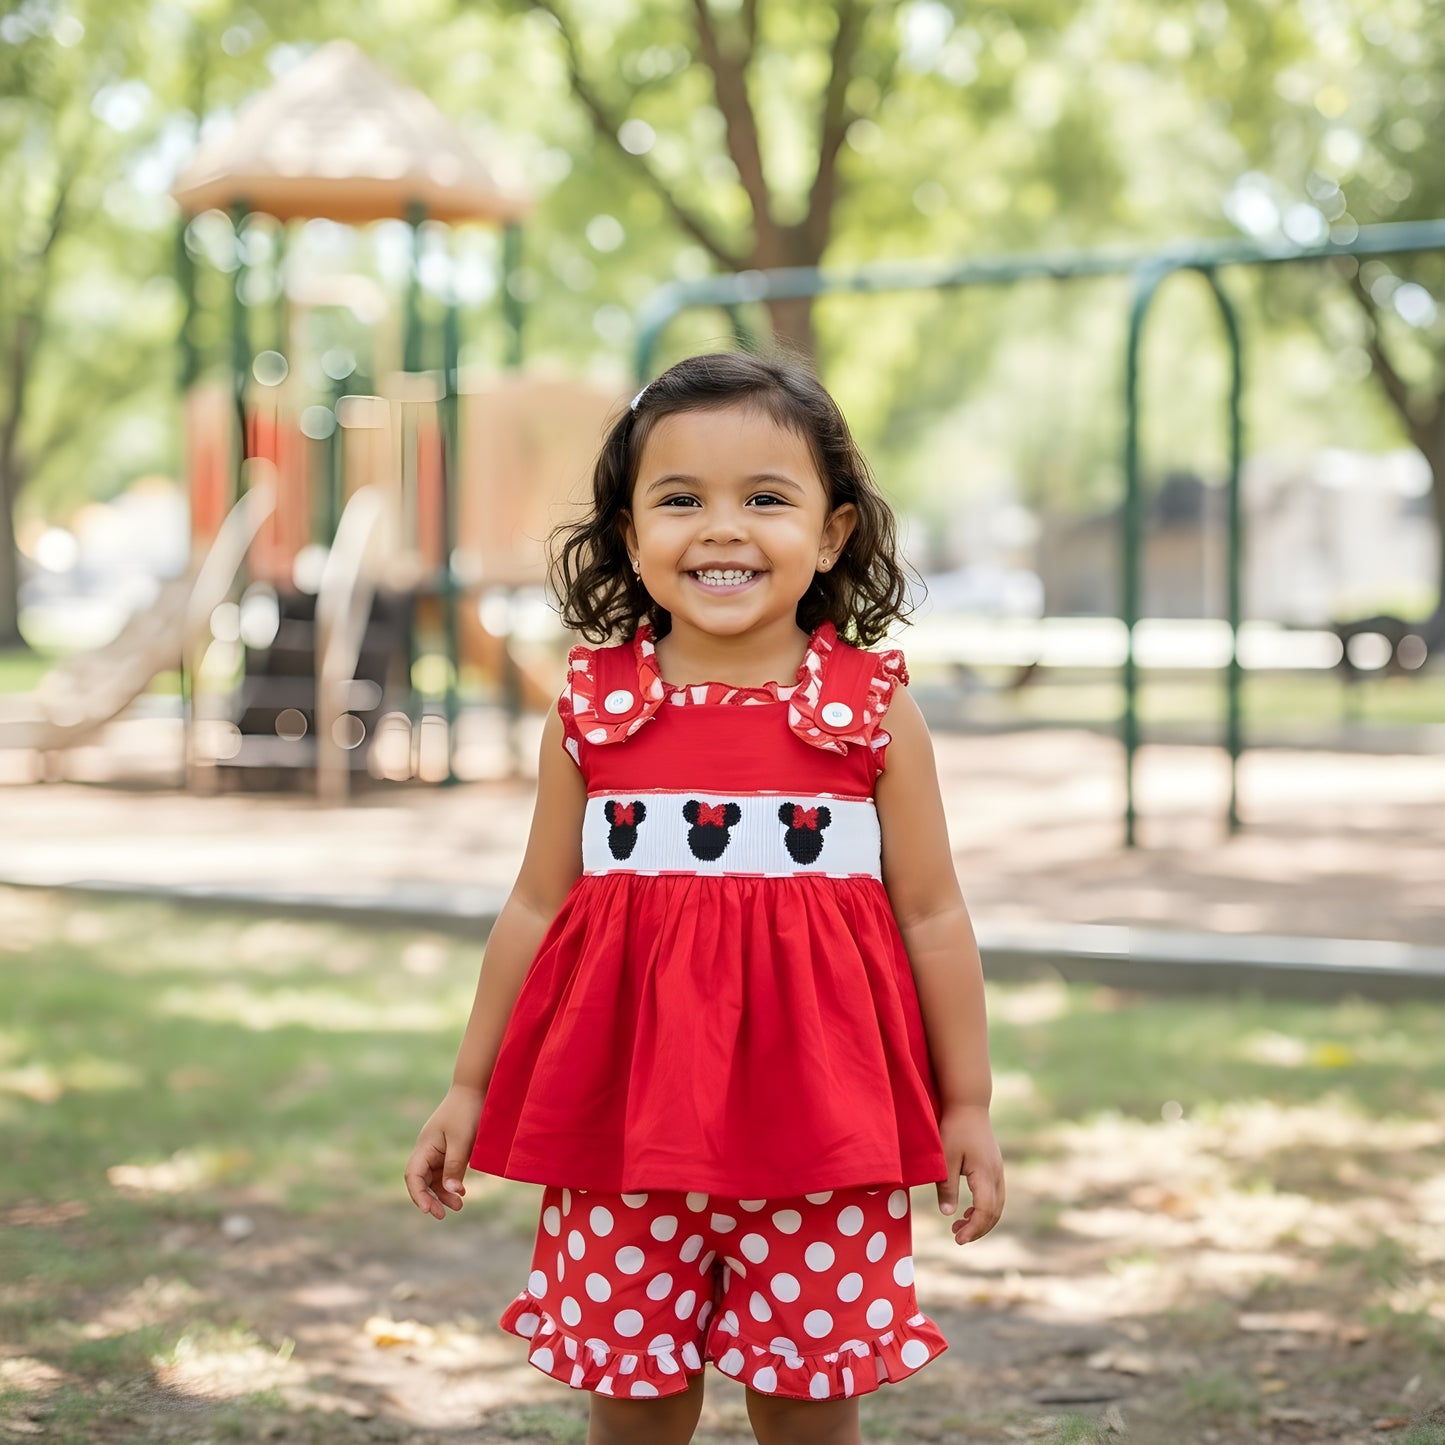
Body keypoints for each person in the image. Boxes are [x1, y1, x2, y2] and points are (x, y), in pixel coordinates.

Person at [404, 350, 1004, 1445]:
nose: (720, 527)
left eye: (765, 498)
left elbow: (932, 914)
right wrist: (467, 1083)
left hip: (825, 1135)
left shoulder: (868, 713)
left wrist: (964, 1101)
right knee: (632, 1395)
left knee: (806, 1397)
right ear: (630, 537)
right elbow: (535, 907)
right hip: (625, 1127)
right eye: (679, 499)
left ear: (830, 534)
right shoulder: (594, 710)